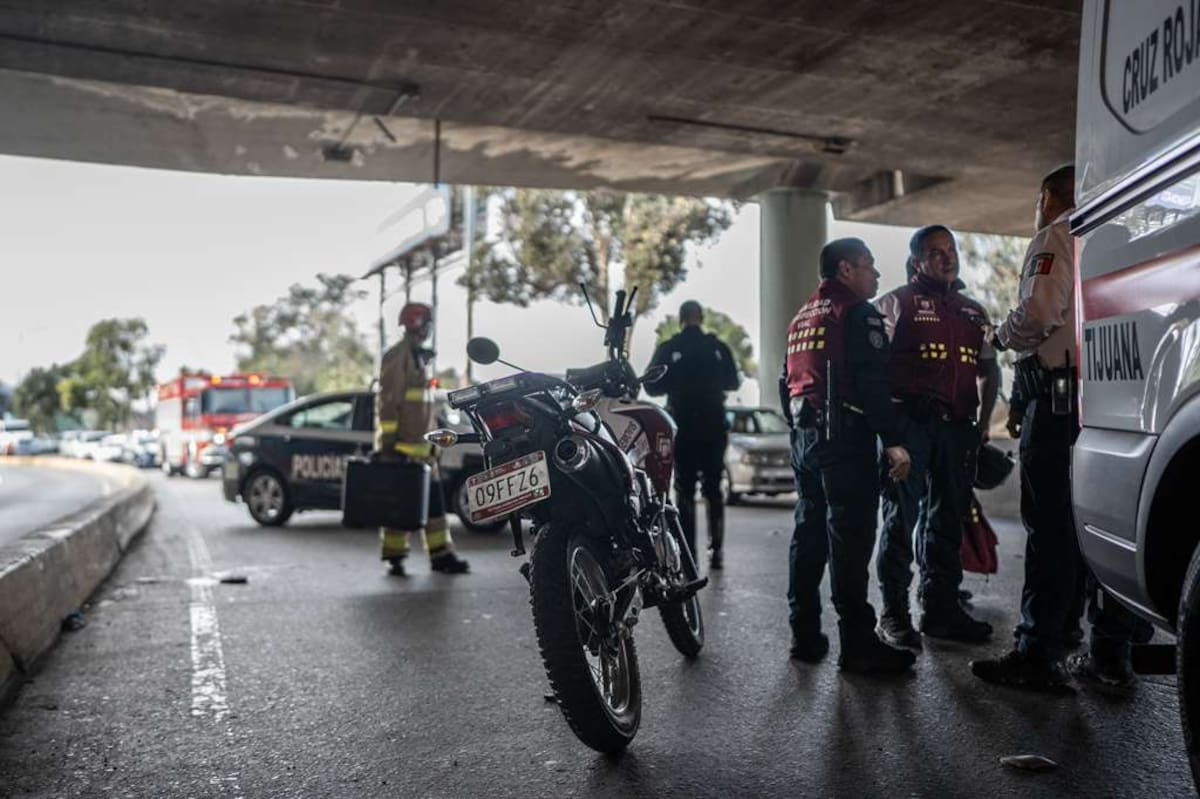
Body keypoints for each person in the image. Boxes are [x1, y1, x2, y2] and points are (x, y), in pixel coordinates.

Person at [970, 165, 1152, 691]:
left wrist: (1001, 337)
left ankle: (1040, 650)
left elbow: (1039, 311)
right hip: (1120, 401)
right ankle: (1110, 652)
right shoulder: (1122, 234)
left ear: (1049, 198)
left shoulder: (1058, 234)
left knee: (1051, 528)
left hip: (1060, 403)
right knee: (1106, 526)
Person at [781, 237, 915, 674]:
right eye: (868, 266)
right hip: (843, 436)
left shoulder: (802, 316)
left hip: (805, 437)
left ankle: (804, 634)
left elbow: (788, 383)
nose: (876, 275)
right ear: (845, 270)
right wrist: (893, 439)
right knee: (851, 539)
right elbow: (871, 380)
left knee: (809, 533)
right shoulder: (857, 313)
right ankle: (858, 644)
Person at [872, 225, 1001, 648]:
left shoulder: (972, 312)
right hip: (909, 426)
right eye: (936, 252)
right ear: (916, 262)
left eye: (951, 250)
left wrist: (982, 425)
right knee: (900, 521)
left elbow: (990, 369)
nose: (948, 258)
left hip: (957, 430)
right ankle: (894, 614)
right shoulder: (895, 304)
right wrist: (888, 431)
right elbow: (871, 368)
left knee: (947, 522)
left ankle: (941, 610)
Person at [375, 302, 470, 577]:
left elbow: (422, 407)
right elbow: (389, 403)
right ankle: (395, 556)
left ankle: (440, 555)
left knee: (434, 506)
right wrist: (389, 445)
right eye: (427, 323)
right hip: (404, 449)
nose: (429, 329)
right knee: (402, 505)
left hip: (424, 449)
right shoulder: (398, 356)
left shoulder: (419, 357)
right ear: (419, 324)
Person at [645, 300, 740, 570]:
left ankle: (688, 555)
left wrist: (677, 381)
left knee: (684, 489)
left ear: (680, 319)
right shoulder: (717, 347)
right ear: (701, 317)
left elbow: (652, 387)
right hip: (713, 425)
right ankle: (716, 551)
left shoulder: (670, 348)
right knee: (713, 488)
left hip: (682, 426)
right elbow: (733, 381)